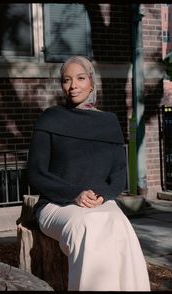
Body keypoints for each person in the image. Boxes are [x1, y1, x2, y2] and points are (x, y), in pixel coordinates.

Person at [27, 56, 150, 291]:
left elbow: (119, 173)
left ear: (91, 83)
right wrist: (75, 194)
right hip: (57, 204)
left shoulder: (109, 122)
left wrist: (102, 195)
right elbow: (36, 173)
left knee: (119, 224)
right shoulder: (50, 118)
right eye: (67, 80)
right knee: (87, 226)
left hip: (99, 201)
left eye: (80, 78)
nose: (73, 85)